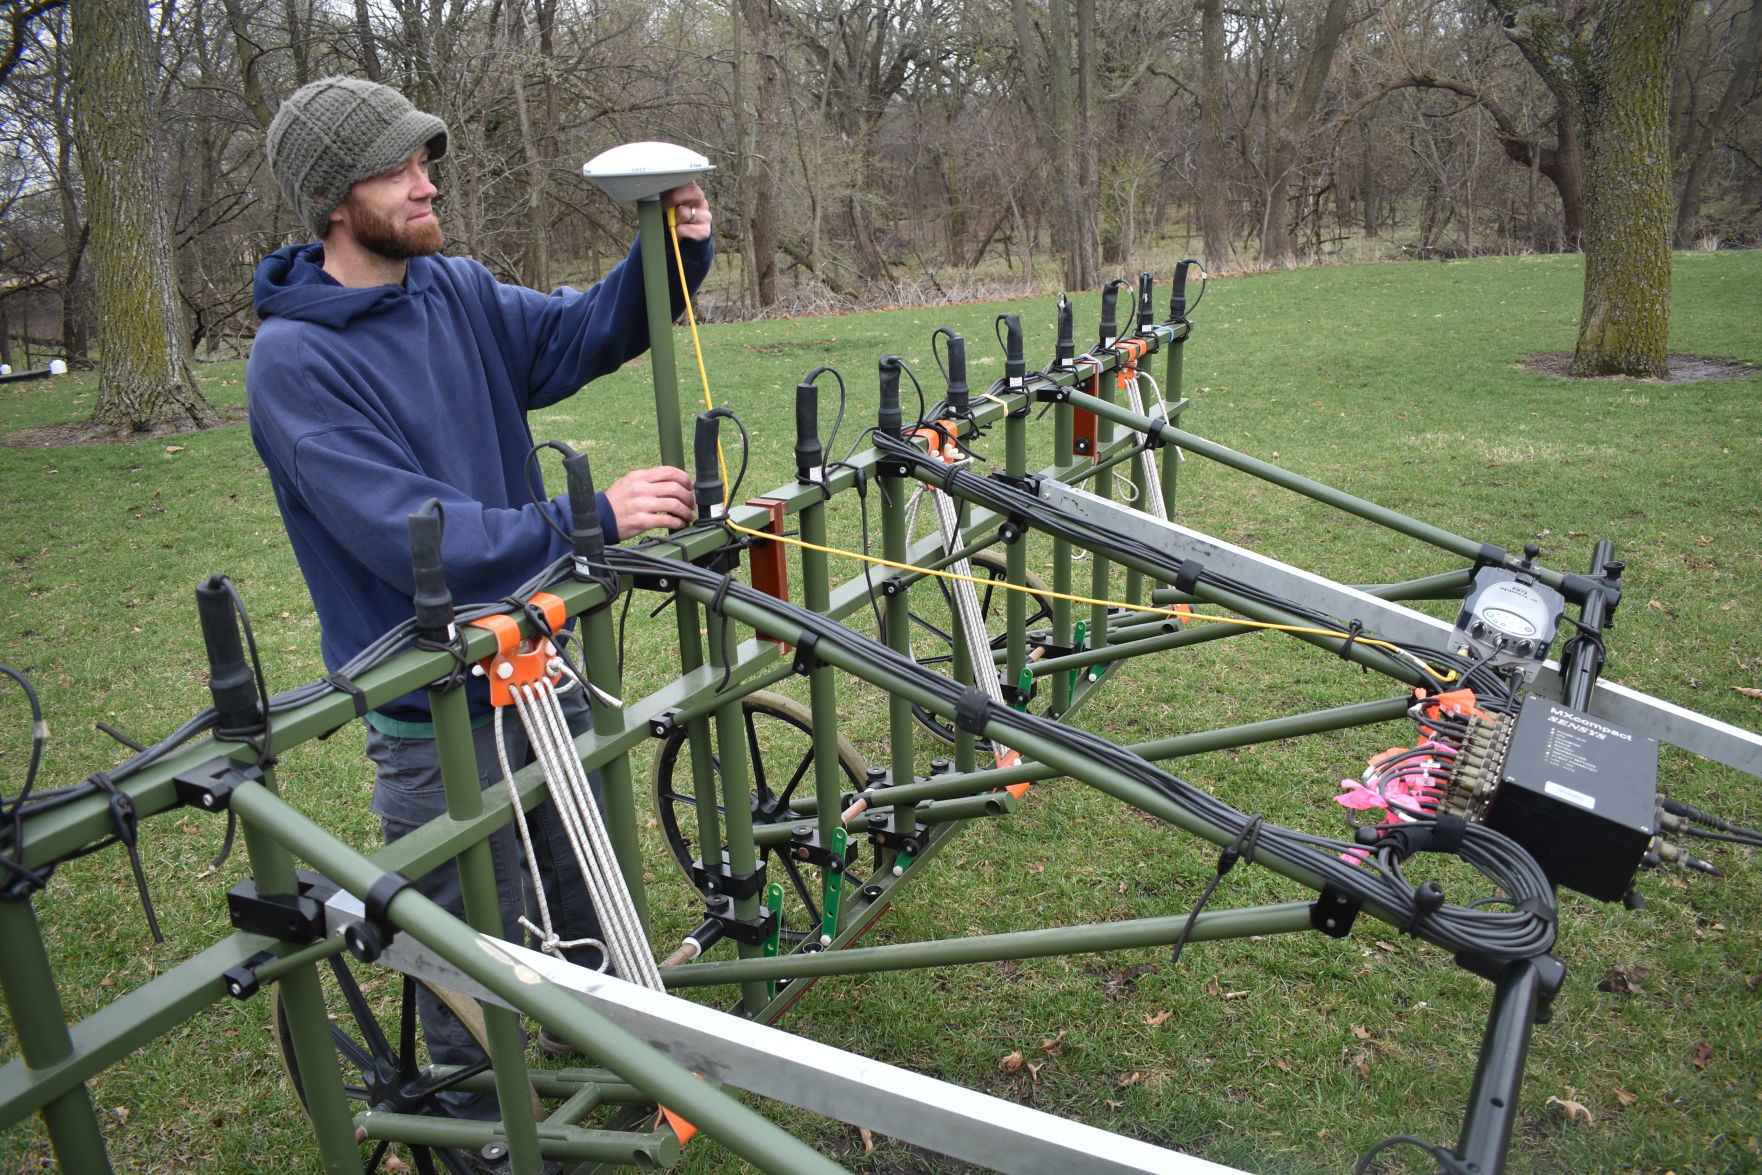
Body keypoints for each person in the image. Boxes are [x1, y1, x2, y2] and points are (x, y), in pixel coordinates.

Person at [246, 75, 709, 1133]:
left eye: (426, 161)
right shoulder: (296, 361)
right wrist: (580, 517)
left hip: (533, 662)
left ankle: (617, 1059)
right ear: (332, 199)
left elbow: (580, 335)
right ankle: (478, 1135)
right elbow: (418, 538)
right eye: (399, 168)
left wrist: (666, 247)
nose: (426, 182)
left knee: (584, 894)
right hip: (433, 712)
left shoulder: (450, 290)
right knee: (471, 947)